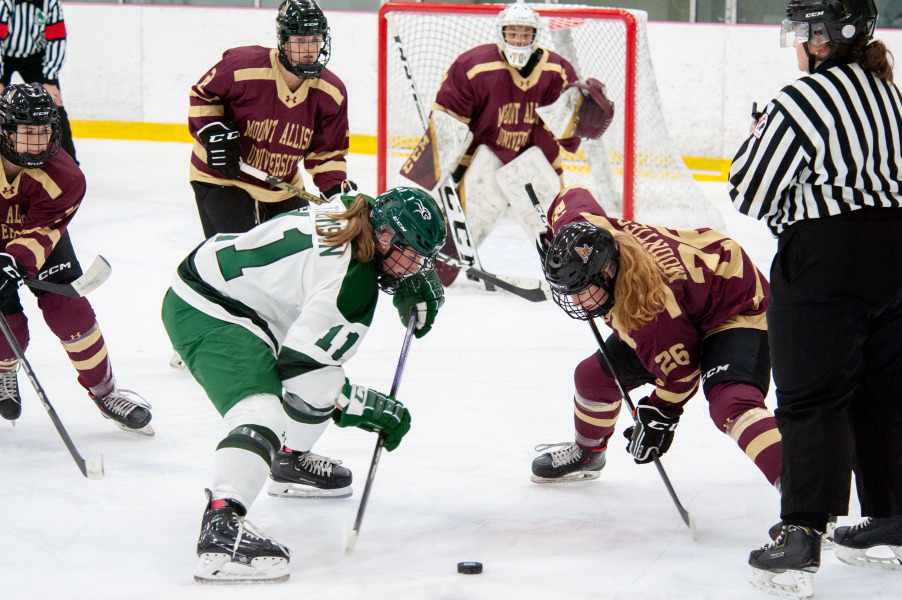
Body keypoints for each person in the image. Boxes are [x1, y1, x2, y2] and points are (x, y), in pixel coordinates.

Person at [161, 187, 447, 583]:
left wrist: (410, 272)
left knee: (309, 383)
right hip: (208, 307)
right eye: (413, 255)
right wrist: (365, 407)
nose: (416, 267)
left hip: (234, 291)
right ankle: (221, 530)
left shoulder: (355, 208)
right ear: (385, 238)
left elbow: (310, 363)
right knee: (263, 411)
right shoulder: (352, 285)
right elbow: (304, 370)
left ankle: (289, 460)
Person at [729, 1, 902, 597]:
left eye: (803, 32)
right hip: (894, 253)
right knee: (881, 392)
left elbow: (748, 188)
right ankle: (892, 520)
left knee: (811, 396)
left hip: (825, 259)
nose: (797, 44)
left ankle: (801, 533)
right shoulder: (887, 91)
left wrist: (757, 140)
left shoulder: (802, 99)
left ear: (825, 39)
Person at [530, 185, 781, 500]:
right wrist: (557, 238)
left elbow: (681, 375)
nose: (577, 301)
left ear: (607, 273)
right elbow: (572, 194)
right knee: (592, 378)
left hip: (735, 304)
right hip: (689, 297)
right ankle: (588, 454)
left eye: (582, 289)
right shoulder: (590, 233)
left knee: (732, 403)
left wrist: (660, 414)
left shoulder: (648, 313)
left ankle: (805, 498)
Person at [399, 0, 613, 286]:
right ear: (502, 34)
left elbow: (567, 135)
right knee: (467, 222)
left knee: (556, 225)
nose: (519, 40)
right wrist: (430, 175)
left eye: (525, 34)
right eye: (513, 33)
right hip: (483, 160)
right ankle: (434, 269)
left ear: (535, 37)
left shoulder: (557, 71)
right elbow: (447, 126)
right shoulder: (473, 67)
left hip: (533, 162)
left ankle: (574, 274)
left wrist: (580, 115)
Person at [0, 83, 151, 435]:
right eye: (27, 133)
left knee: (72, 315)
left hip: (39, 240)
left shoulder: (65, 176)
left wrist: (15, 259)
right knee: (8, 329)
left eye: (44, 132)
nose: (38, 143)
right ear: (5, 131)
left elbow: (44, 231)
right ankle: (5, 369)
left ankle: (106, 392)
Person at [188, 0, 355, 239]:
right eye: (300, 41)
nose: (310, 49)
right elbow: (203, 93)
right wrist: (213, 132)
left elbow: (327, 152)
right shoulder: (242, 66)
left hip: (281, 186)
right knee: (237, 257)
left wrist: (336, 191)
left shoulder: (332, 91)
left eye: (316, 39)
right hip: (224, 178)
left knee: (295, 257)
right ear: (284, 40)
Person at [0, 0, 77, 164]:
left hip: (36, 58)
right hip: (4, 56)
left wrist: (49, 78)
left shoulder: (50, 3)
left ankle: (69, 164)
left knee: (55, 105)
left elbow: (57, 37)